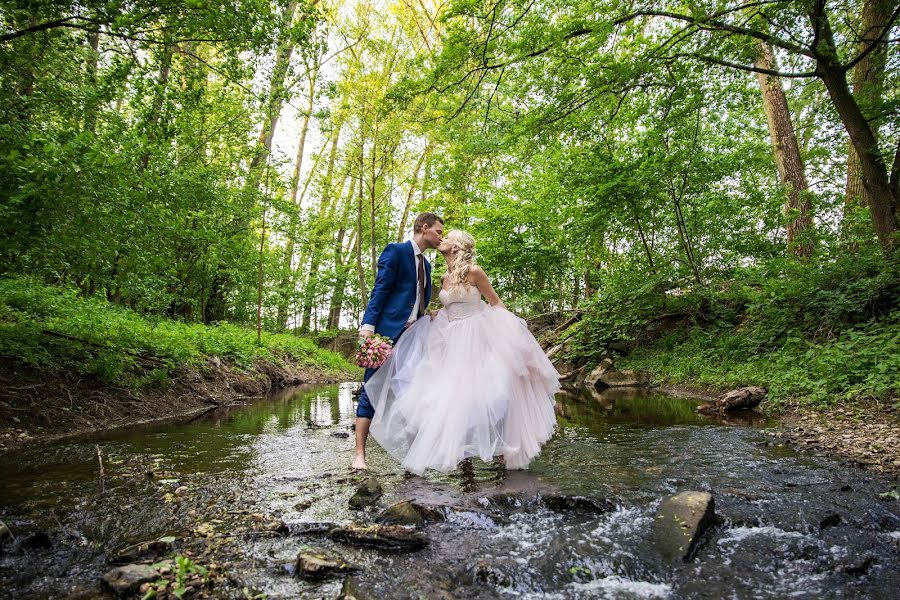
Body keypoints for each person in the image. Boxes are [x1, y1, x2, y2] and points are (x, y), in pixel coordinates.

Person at [363, 230, 559, 475]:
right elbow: (450, 307)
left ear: (457, 247)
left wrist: (508, 333)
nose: (442, 239)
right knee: (453, 399)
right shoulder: (444, 277)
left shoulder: (474, 272)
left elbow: (496, 303)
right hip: (452, 341)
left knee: (493, 393)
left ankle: (503, 449)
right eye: (441, 234)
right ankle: (466, 463)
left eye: (448, 237)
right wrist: (435, 315)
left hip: (478, 336)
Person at [353, 212, 444, 470]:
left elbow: (418, 303)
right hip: (386, 334)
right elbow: (380, 290)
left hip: (415, 338)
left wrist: (430, 317)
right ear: (424, 228)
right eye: (438, 231)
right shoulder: (395, 251)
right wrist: (368, 327)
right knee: (371, 390)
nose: (441, 237)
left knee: (412, 393)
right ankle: (359, 454)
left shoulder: (426, 266)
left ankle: (412, 457)